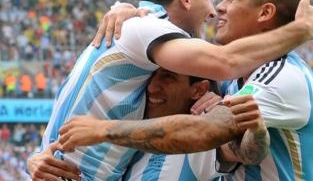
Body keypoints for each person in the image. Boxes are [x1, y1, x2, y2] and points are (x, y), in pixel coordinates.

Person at [37, 0, 313, 180]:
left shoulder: (281, 76)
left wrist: (103, 130)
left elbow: (218, 131)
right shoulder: (144, 30)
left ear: (265, 12)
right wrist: (39, 155)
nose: (217, 9)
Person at [29, 68, 266, 181]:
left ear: (199, 89)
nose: (152, 87)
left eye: (168, 78)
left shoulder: (201, 135)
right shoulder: (129, 133)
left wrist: (257, 128)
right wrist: (38, 160)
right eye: (152, 76)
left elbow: (248, 151)